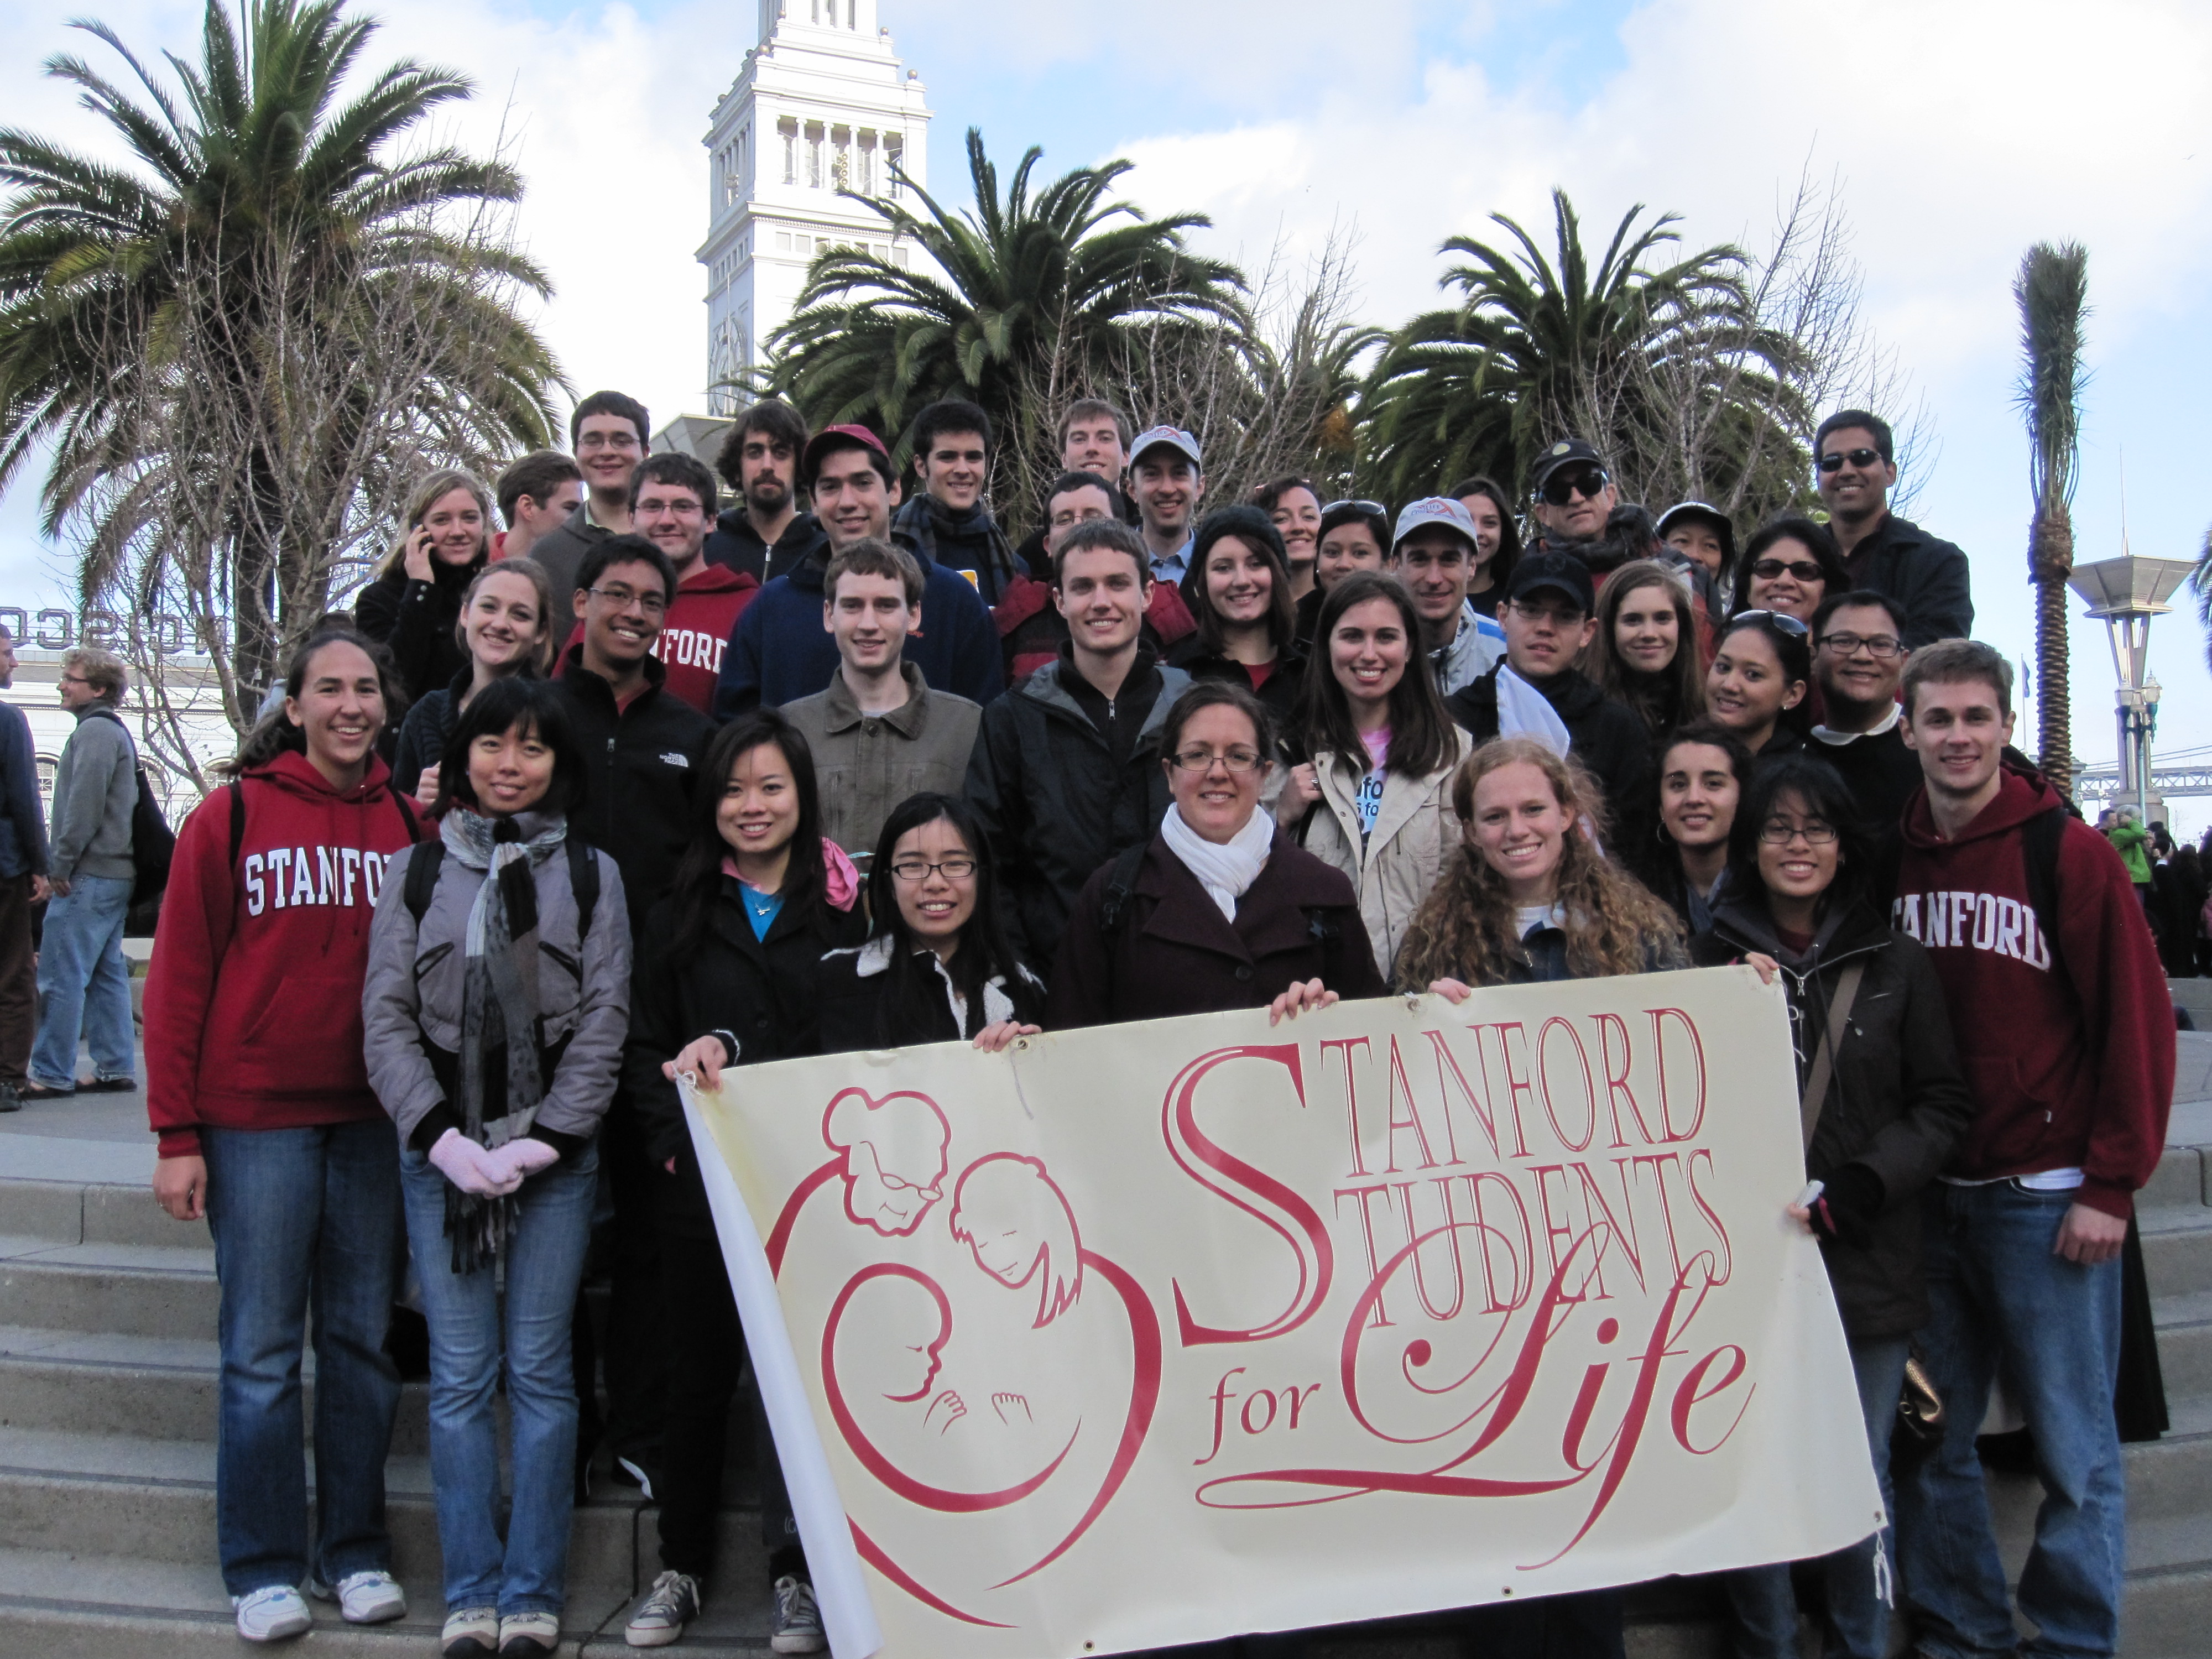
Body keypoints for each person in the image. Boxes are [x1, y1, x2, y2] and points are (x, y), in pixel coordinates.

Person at [1889, 640, 2174, 1659]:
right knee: (1930, 1440)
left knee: (2075, 1452)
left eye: (1975, 717)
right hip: (1933, 1198)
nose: (1957, 737)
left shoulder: (2069, 852)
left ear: (2005, 726)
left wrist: (2111, 1181)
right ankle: (1965, 1628)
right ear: (1908, 725)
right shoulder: (1896, 851)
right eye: (1938, 719)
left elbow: (2134, 1024)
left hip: (2044, 1199)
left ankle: (2070, 1638)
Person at [144, 628, 422, 1644]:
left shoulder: (411, 824)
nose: (350, 706)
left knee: (358, 1346)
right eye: (329, 689)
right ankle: (260, 1566)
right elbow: (176, 983)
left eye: (366, 689)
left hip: (371, 1123)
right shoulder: (230, 816)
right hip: (252, 1121)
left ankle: (350, 1551)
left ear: (385, 705)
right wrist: (176, 1131)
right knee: (261, 1351)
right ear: (295, 705)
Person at [1392, 735, 1679, 1659]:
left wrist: (1741, 1004)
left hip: (1608, 1268)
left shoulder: (1646, 938)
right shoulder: (1434, 949)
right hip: (1491, 1277)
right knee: (1498, 1507)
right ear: (1470, 833)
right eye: (1495, 816)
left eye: (1532, 811)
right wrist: (1424, 1028)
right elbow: (1404, 1110)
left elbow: (1689, 1085)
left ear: (1569, 815)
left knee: (1592, 1502)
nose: (1517, 830)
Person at [362, 680, 629, 1659]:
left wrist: (545, 1140)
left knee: (544, 1374)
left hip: (553, 1158)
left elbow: (605, 1019)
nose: (510, 764)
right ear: (463, 757)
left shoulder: (594, 875)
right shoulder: (420, 872)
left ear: (560, 763)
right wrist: (441, 1138)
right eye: (492, 746)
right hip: (442, 1155)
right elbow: (385, 1017)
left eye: (531, 748)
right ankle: (472, 1589)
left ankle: (532, 1591)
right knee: (463, 1377)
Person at [1689, 754, 1973, 1659]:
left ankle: (1862, 1642)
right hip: (1748, 1265)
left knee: (1859, 1473)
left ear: (1847, 847)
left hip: (1868, 1260)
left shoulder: (1898, 962)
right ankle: (1767, 1643)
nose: (1798, 845)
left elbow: (1941, 1106)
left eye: (1817, 829)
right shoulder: (1706, 959)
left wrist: (1865, 1183)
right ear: (1752, 845)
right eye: (1778, 828)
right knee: (1757, 1473)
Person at [622, 712, 869, 1655]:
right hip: (705, 1193)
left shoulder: (846, 905)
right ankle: (681, 1564)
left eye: (771, 787)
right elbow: (643, 1044)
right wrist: (676, 1150)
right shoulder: (677, 910)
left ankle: (797, 1574)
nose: (752, 806)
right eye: (732, 789)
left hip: (814, 1193)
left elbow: (859, 1040)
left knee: (797, 1391)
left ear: (803, 796)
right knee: (698, 1380)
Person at [550, 534, 715, 1503]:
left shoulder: (691, 732)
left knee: (654, 1238)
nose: (637, 612)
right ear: (581, 604)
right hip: (552, 1017)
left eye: (655, 600)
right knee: (559, 1238)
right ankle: (564, 1429)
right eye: (619, 594)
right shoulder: (540, 716)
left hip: (653, 1017)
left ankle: (643, 1430)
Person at [1049, 680, 1383, 1027]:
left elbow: (1372, 1037)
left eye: (1239, 757)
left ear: (1264, 774)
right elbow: (1069, 1044)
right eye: (1197, 755)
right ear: (1169, 774)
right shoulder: (1113, 895)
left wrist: (1330, 1017)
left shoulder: (1325, 890)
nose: (1218, 773)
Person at [966, 518, 1193, 968]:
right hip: (1054, 980)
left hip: (1178, 979)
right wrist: (1020, 977)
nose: (1101, 602)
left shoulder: (1192, 711)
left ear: (1147, 594)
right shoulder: (1014, 717)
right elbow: (990, 861)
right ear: (1060, 600)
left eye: (1117, 584)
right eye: (1083, 586)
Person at [713, 425, 1002, 714]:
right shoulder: (772, 608)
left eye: (863, 483)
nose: (848, 502)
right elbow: (736, 727)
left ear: (893, 490)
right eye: (830, 487)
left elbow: (986, 727)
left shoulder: (955, 601)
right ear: (813, 502)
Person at [1276, 571, 1469, 977]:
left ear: (1409, 646)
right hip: (1317, 989)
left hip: (1424, 989)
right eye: (1351, 637)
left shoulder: (1453, 754)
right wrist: (1280, 816)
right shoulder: (1287, 752)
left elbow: (1467, 882)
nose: (1369, 654)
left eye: (1385, 637)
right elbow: (1252, 880)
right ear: (1327, 645)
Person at [780, 538, 983, 865]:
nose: (869, 624)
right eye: (852, 606)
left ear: (914, 614)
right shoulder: (790, 729)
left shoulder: (967, 728)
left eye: (886, 605)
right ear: (829, 615)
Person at [817, 791, 1047, 1051]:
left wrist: (1030, 1058)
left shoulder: (1023, 991)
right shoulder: (835, 981)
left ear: (980, 878)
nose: (935, 883)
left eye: (955, 864)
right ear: (889, 883)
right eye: (913, 865)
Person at [1442, 552, 1651, 825]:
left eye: (1565, 616)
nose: (1545, 628)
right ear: (1503, 617)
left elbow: (1631, 849)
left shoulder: (1617, 730)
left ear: (1588, 631)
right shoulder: (1454, 719)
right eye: (1530, 610)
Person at [26, 645, 138, 1100]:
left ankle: (50, 1071)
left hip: (88, 873)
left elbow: (82, 809)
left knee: (60, 972)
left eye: (69, 678)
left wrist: (59, 866)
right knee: (107, 971)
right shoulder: (113, 731)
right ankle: (115, 1065)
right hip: (117, 873)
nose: (61, 684)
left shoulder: (93, 732)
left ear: (98, 689)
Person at [996, 470, 1195, 682]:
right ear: (1047, 545)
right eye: (1064, 519)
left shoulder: (1167, 615)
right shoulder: (1017, 618)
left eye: (1094, 516)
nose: (1079, 526)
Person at [393, 559, 559, 806]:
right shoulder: (426, 714)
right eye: (489, 607)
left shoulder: (559, 712)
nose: (501, 624)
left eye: (520, 615)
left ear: (541, 632)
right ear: (465, 614)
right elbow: (400, 821)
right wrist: (418, 806)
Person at [613, 451, 760, 714]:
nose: (667, 520)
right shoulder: (606, 602)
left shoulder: (749, 607)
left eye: (683, 506)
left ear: (712, 520)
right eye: (653, 506)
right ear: (631, 519)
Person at [1814, 409, 1972, 648]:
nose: (1846, 471)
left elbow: (1935, 662)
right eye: (1831, 463)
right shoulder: (1791, 562)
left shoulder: (1938, 562)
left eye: (1862, 458)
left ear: (1890, 473)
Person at [355, 468, 497, 701]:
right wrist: (421, 590)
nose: (458, 531)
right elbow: (394, 682)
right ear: (418, 531)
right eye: (442, 520)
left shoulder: (493, 595)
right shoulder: (379, 599)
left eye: (470, 518)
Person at [1166, 505, 1307, 733]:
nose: (1241, 580)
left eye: (1256, 564)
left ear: (1279, 573)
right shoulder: (1178, 676)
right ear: (1203, 583)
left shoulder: (1311, 677)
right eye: (1223, 568)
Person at [1808, 591, 1922, 834]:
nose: (1862, 656)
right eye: (1843, 641)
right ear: (1813, 658)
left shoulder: (1935, 749)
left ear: (1904, 662)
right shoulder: (1792, 758)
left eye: (1881, 644)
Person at [891, 398, 1024, 603]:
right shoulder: (889, 553)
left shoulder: (1015, 568)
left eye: (973, 457)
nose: (962, 470)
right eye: (948, 457)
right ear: (921, 466)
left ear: (986, 464)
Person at [528, 390, 650, 602]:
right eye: (593, 441)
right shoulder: (548, 556)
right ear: (576, 453)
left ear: (645, 452)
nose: (607, 451)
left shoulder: (674, 539)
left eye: (622, 440)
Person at [1636, 721, 1752, 933]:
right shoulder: (1633, 900)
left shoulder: (1771, 893)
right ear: (1661, 806)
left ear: (1743, 797)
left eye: (1713, 784)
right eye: (1678, 785)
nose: (1694, 799)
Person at [1389, 497, 1505, 695]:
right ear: (1395, 565)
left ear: (1472, 567)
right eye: (1419, 559)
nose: (1434, 579)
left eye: (1449, 560)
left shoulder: (1505, 650)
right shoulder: (1372, 654)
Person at [1011, 398, 1140, 575]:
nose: (1092, 448)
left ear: (1126, 456)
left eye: (1105, 438)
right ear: (1064, 457)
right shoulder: (1032, 555)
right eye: (1079, 439)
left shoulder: (1147, 537)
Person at [0, 625, 46, 1112]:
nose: (14, 663)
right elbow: (24, 798)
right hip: (5, 866)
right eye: (8, 654)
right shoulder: (9, 722)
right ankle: (9, 1077)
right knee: (14, 973)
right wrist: (40, 865)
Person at [705, 397, 825, 581]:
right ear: (738, 468)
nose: (767, 466)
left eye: (780, 453)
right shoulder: (707, 553)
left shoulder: (825, 552)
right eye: (755, 453)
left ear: (799, 467)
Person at [1583, 558, 1704, 737]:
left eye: (1662, 618)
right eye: (1633, 620)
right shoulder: (1584, 712)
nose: (1649, 634)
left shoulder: (1702, 709)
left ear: (1681, 625)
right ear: (1608, 628)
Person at [1704, 610, 1812, 759]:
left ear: (1792, 694)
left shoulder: (1801, 778)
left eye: (1753, 675)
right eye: (1724, 667)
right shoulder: (1676, 757)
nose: (1729, 685)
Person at [1302, 498, 1392, 649]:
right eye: (1332, 552)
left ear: (1387, 565)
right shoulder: (1290, 626)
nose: (1343, 564)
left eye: (1360, 553)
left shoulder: (1406, 621)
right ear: (1317, 558)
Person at [1729, 517, 1850, 625]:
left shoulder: (1858, 650)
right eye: (1769, 568)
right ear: (1747, 589)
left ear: (1828, 592)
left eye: (1804, 571)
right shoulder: (1715, 648)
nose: (1784, 581)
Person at [1128, 425, 1206, 588]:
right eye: (1152, 474)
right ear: (1132, 490)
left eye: (1179, 473)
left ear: (1199, 486)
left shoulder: (1219, 566)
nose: (1167, 489)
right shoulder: (1109, 565)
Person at [1524, 437, 1618, 561]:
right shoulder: (1528, 576)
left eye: (1588, 483)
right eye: (1559, 491)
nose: (1576, 499)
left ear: (1610, 497)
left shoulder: (1649, 557)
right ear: (1543, 514)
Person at [493, 452, 585, 565]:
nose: (582, 520)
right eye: (571, 509)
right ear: (528, 507)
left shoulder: (583, 576)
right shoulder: (470, 572)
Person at [1449, 476, 1522, 617]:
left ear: (1503, 534)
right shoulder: (1426, 599)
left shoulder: (1519, 604)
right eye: (1467, 520)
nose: (1477, 532)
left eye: (1490, 523)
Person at [1253, 475, 1323, 601]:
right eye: (1281, 519)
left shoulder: (1343, 609)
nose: (1298, 527)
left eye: (1309, 517)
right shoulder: (1245, 608)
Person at [2106, 805, 2153, 906]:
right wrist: (2131, 821)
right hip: (2132, 878)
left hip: (2135, 879)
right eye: (2138, 818)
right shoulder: (2119, 834)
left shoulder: (2126, 834)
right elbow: (2140, 834)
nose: (2139, 821)